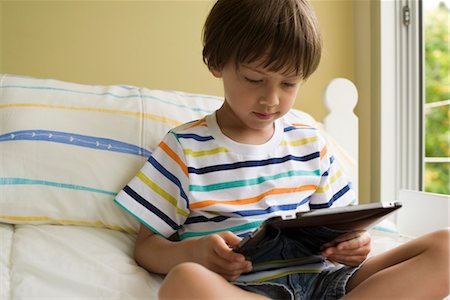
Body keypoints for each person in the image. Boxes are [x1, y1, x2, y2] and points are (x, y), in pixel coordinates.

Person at [114, 0, 450, 299]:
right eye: (254, 80)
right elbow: (146, 248)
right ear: (216, 61)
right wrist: (191, 254)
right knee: (183, 282)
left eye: (288, 84)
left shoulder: (310, 140)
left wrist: (355, 247)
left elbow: (346, 229)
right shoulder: (184, 149)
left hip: (329, 282)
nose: (271, 99)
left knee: (446, 246)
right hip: (249, 290)